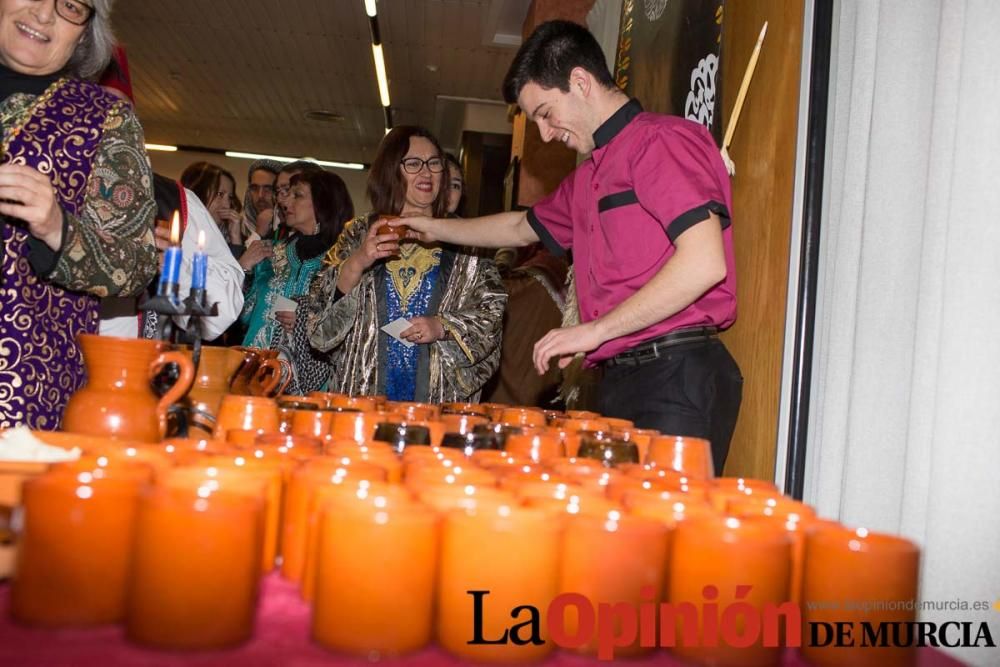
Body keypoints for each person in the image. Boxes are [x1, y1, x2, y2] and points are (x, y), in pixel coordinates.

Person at [399, 21, 741, 472]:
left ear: (580, 82)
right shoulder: (587, 177)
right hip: (621, 377)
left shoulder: (661, 142)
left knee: (656, 537)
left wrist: (595, 330)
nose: (544, 134)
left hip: (674, 372)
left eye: (545, 112)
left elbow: (703, 263)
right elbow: (520, 227)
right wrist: (435, 228)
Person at [0, 0, 157, 430]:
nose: (44, 14)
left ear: (85, 31)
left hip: (25, 386)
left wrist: (58, 230)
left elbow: (137, 263)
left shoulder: (105, 120)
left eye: (70, 5)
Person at [298, 126, 506, 402]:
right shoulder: (360, 233)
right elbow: (319, 322)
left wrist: (442, 327)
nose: (426, 172)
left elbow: (490, 314)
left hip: (437, 399)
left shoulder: (466, 237)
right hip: (363, 396)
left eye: (434, 163)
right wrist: (358, 261)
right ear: (390, 170)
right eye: (413, 163)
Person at [240, 169, 353, 354]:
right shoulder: (269, 253)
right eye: (285, 194)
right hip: (256, 368)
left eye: (297, 195)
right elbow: (243, 315)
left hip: (310, 376)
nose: (284, 201)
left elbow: (348, 323)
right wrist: (244, 269)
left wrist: (306, 322)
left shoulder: (344, 264)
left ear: (323, 203)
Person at [242, 159, 281, 239]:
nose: (260, 195)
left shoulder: (292, 230)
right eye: (254, 188)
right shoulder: (236, 229)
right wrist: (258, 233)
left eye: (268, 189)